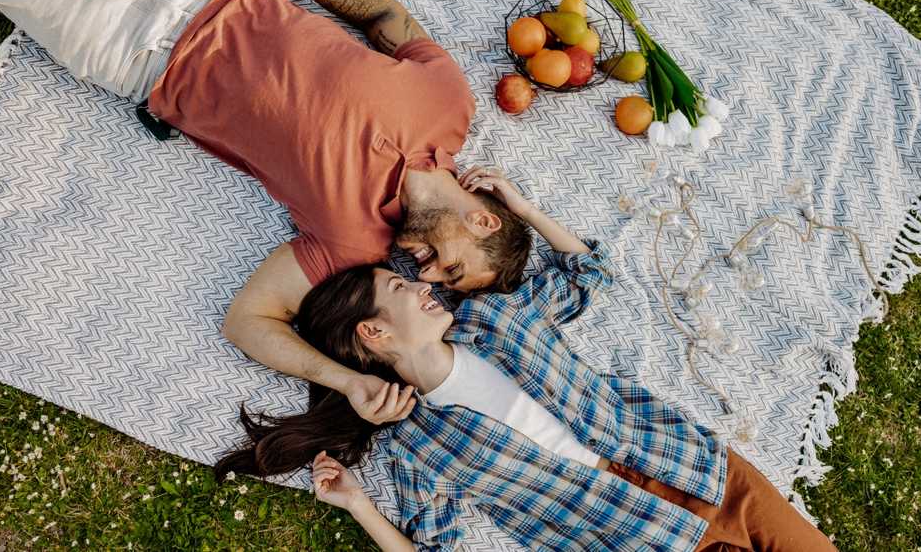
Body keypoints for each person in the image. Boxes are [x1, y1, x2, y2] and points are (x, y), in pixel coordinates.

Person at [0, 0, 533, 424]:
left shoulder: (353, 242)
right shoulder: (450, 107)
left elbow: (248, 321)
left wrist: (346, 383)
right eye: (452, 268)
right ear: (481, 218)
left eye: (438, 283)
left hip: (133, 48)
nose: (428, 275)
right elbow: (389, 16)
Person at [218, 171, 838, 551]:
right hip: (645, 540)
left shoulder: (495, 316)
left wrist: (524, 208)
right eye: (400, 287)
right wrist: (358, 505)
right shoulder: (413, 443)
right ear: (374, 332)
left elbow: (588, 274)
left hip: (703, 471)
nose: (423, 284)